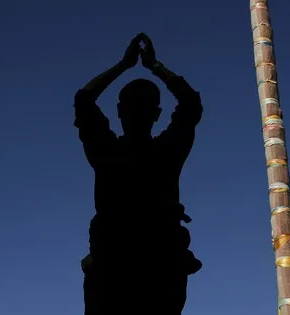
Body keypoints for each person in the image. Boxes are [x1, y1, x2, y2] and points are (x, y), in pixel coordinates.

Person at [75, 33, 204, 315]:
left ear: (119, 111)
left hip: (118, 270)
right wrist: (154, 66)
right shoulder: (166, 152)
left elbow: (84, 99)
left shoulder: (108, 152)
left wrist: (124, 65)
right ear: (157, 114)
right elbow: (190, 104)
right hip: (151, 270)